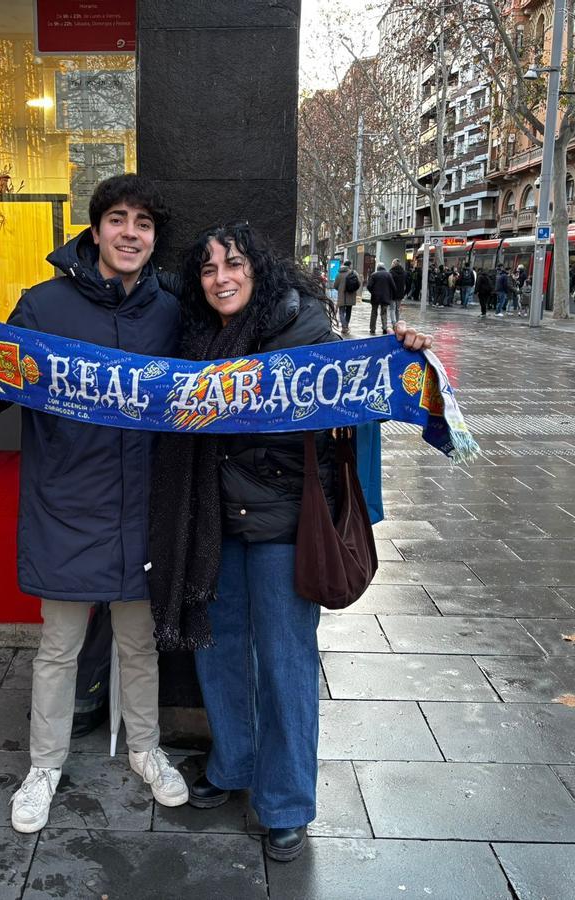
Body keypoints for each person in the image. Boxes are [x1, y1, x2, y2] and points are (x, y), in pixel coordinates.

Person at [149, 221, 431, 863]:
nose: (221, 279)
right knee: (218, 650)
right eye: (208, 269)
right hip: (214, 521)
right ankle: (234, 764)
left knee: (285, 662)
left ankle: (284, 803)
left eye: (234, 264)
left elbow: (366, 382)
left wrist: (405, 350)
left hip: (283, 522)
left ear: (259, 270)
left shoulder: (306, 330)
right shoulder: (196, 335)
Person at [0, 174, 188, 834]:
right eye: (118, 219)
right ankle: (44, 767)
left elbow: (232, 365)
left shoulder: (172, 311)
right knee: (59, 648)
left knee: (140, 644)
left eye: (143, 223)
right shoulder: (44, 306)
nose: (130, 233)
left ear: (154, 238)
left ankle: (145, 750)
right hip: (68, 505)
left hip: (144, 508)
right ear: (96, 229)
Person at [366, 263, 396, 334]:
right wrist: (391, 295)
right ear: (384, 267)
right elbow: (393, 286)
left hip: (375, 297)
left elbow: (369, 286)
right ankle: (384, 328)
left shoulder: (374, 275)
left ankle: (372, 329)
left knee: (374, 313)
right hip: (385, 297)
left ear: (378, 268)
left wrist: (373, 292)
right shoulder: (388, 275)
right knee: (384, 313)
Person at [333, 259, 359, 336]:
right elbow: (358, 283)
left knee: (341, 312)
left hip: (341, 296)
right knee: (348, 312)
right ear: (349, 265)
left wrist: (340, 289)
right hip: (351, 295)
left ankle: (344, 327)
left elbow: (335, 285)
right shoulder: (353, 273)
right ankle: (346, 326)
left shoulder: (339, 274)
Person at [388, 258, 408, 325]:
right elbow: (407, 283)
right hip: (400, 294)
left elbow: (389, 283)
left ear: (394, 264)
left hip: (392, 293)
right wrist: (405, 292)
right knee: (397, 309)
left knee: (392, 308)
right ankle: (397, 322)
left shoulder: (391, 272)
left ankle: (394, 323)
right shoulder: (404, 273)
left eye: (392, 263)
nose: (391, 264)